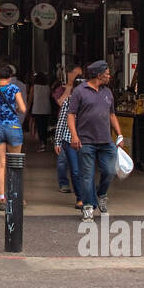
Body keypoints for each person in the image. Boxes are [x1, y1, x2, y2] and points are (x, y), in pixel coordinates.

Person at [67, 60, 124, 220]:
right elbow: (71, 115)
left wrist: (119, 135)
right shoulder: (80, 91)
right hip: (86, 141)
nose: (109, 76)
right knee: (87, 175)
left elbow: (112, 115)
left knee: (110, 170)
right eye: (107, 74)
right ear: (98, 75)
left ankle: (101, 194)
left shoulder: (108, 92)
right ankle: (88, 206)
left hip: (106, 141)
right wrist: (74, 135)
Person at [0, 64, 27, 205]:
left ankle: (1, 196)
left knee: (0, 164)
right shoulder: (14, 88)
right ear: (10, 77)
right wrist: (16, 108)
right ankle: (14, 195)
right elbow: (23, 109)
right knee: (15, 163)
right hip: (12, 125)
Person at [53, 65, 84, 195]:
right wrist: (70, 86)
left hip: (84, 137)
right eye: (75, 75)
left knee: (80, 167)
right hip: (66, 134)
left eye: (80, 76)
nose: (78, 79)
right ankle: (64, 183)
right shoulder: (62, 90)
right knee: (63, 161)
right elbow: (61, 102)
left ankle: (83, 193)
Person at [28, 72, 52, 152]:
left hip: (37, 109)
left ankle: (42, 143)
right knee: (44, 127)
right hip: (46, 109)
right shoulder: (48, 87)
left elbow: (30, 100)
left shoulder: (34, 87)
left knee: (39, 127)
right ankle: (44, 143)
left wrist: (27, 109)